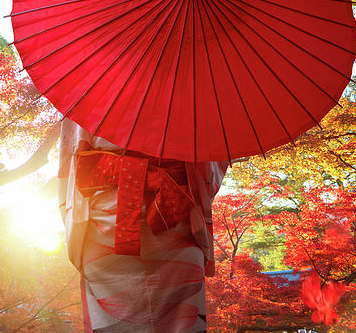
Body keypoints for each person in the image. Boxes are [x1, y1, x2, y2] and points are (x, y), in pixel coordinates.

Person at [58, 117, 232, 332]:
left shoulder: (88, 92)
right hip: (175, 218)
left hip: (103, 226)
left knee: (111, 324)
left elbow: (70, 164)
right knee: (182, 321)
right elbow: (209, 172)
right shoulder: (196, 97)